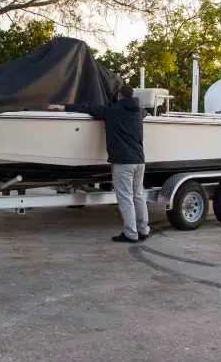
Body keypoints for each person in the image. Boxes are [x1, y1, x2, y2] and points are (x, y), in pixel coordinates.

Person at [48, 84, 150, 243]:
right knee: (138, 195)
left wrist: (63, 107)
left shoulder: (112, 110)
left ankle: (131, 233)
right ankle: (144, 229)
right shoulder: (139, 112)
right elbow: (144, 113)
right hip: (140, 161)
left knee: (125, 197)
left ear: (119, 96)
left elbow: (89, 109)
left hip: (123, 162)